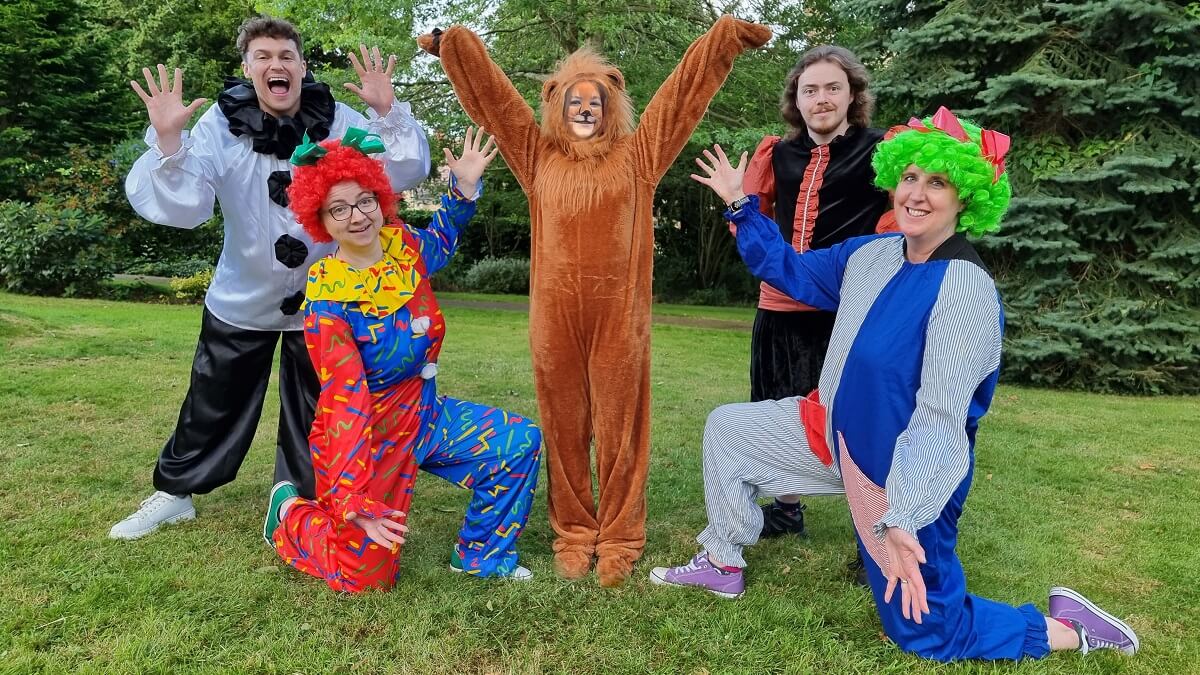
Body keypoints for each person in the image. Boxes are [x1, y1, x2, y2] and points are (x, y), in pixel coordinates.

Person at [649, 108, 1140, 662]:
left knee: (928, 634)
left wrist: (906, 515)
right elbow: (788, 269)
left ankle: (1073, 628)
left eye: (937, 183)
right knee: (731, 428)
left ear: (966, 200)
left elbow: (940, 420)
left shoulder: (965, 289)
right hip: (831, 434)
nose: (917, 194)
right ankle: (721, 563)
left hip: (897, 478)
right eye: (910, 178)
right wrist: (743, 205)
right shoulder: (872, 255)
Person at [417, 16, 772, 587]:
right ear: (558, 106)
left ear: (611, 107)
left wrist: (723, 38)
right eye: (575, 101)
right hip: (554, 322)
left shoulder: (639, 157)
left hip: (618, 322)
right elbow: (498, 103)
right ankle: (574, 531)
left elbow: (680, 97)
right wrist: (455, 46)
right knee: (562, 425)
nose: (585, 110)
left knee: (621, 429)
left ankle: (621, 537)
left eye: (596, 102)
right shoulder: (536, 158)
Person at [111, 16, 430, 540]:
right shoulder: (219, 124)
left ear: (302, 67)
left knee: (321, 409)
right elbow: (188, 206)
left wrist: (386, 112)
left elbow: (402, 171)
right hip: (242, 297)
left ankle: (304, 499)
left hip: (327, 302)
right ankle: (175, 493)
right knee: (212, 401)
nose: (275, 65)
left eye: (286, 56)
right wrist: (170, 143)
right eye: (263, 56)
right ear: (248, 68)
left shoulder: (337, 119)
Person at [263, 127, 542, 591]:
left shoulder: (404, 249)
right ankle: (289, 513)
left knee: (516, 444)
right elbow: (345, 398)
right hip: (371, 436)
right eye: (339, 209)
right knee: (364, 577)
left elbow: (442, 238)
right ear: (321, 221)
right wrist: (354, 499)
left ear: (380, 199)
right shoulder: (328, 300)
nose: (357, 216)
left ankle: (481, 555)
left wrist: (463, 189)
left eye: (365, 200)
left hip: (426, 416)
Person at [743, 46, 893, 555]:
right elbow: (754, 216)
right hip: (779, 306)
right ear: (797, 100)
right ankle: (786, 512)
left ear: (853, 95)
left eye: (833, 87)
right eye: (811, 90)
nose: (821, 98)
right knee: (774, 407)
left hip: (847, 308)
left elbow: (907, 218)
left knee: (856, 420)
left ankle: (871, 530)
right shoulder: (777, 155)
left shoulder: (883, 150)